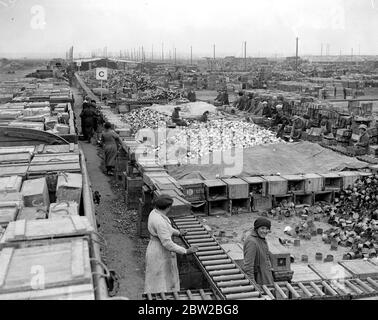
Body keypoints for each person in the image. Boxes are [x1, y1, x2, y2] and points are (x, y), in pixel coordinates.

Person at [144, 195, 198, 294]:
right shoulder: (159, 221)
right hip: (159, 252)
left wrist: (177, 232)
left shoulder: (155, 213)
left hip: (157, 247)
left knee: (164, 278)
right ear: (168, 207)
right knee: (159, 281)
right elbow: (167, 243)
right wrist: (185, 251)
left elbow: (166, 228)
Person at [243, 217, 274, 285]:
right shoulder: (252, 242)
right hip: (259, 281)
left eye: (267, 229)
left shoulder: (261, 239)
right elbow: (248, 267)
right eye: (262, 228)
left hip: (265, 279)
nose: (265, 231)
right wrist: (253, 284)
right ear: (257, 228)